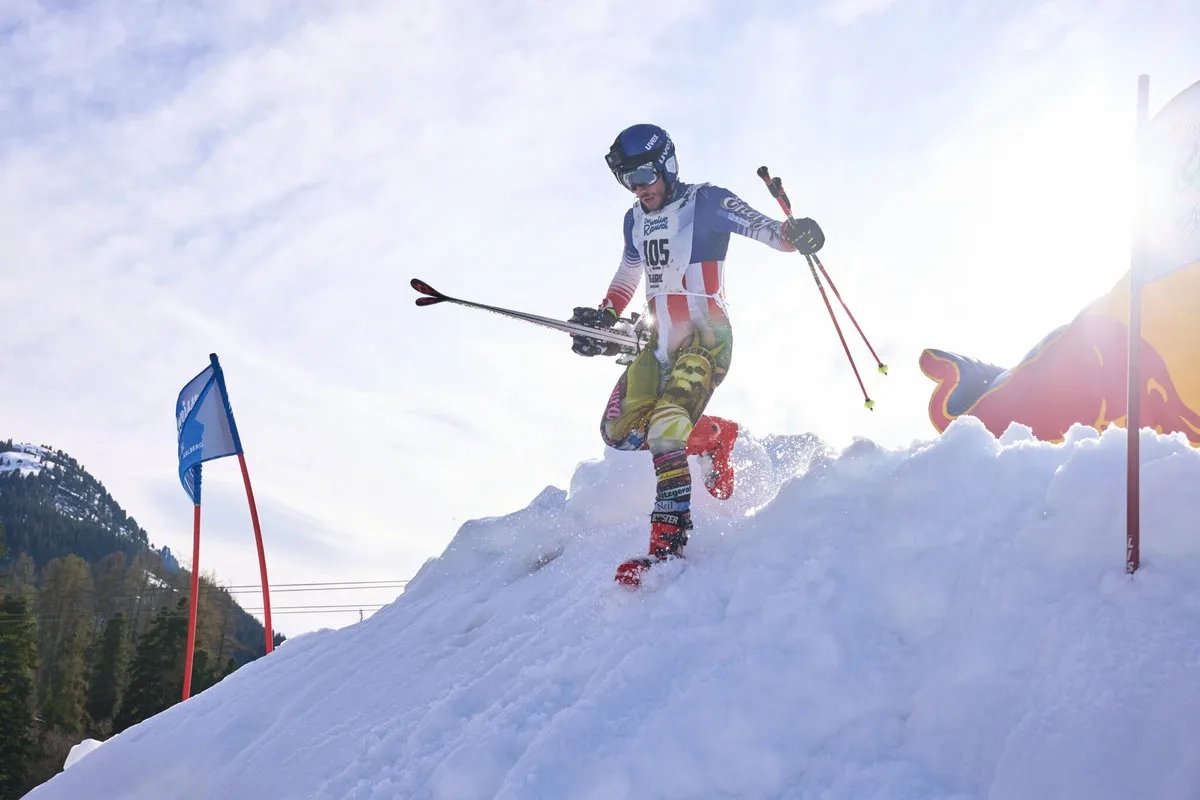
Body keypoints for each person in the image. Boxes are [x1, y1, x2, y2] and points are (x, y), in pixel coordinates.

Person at [570, 123, 825, 588]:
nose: (640, 187)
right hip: (660, 341)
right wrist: (605, 316)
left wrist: (795, 233)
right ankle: (712, 437)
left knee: (667, 427)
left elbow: (765, 230)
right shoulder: (634, 219)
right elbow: (630, 270)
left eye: (646, 173)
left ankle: (666, 551)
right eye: (628, 179)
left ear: (667, 163)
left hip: (707, 338)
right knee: (618, 431)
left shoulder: (705, 202)